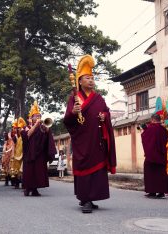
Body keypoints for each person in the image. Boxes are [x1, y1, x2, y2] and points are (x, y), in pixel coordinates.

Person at [63, 55, 117, 213]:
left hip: (97, 141)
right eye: (87, 78)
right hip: (82, 142)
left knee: (97, 172)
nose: (91, 80)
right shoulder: (74, 98)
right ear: (80, 81)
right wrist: (73, 112)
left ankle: (91, 198)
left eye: (93, 78)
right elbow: (67, 120)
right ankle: (85, 199)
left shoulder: (98, 98)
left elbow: (106, 112)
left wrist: (104, 116)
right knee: (85, 170)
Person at [21, 101, 57, 196]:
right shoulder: (26, 127)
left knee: (38, 171)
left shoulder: (42, 127)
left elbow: (47, 138)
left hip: (39, 153)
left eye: (39, 116)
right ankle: (27, 188)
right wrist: (36, 125)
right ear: (31, 118)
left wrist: (47, 129)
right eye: (36, 116)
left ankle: (35, 189)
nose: (38, 118)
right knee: (29, 171)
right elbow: (27, 136)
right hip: (29, 153)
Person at [141, 113, 168, 198]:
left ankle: (152, 192)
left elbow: (144, 137)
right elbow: (166, 140)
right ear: (159, 120)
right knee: (160, 174)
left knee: (150, 173)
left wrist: (144, 130)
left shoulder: (150, 128)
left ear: (152, 119)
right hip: (161, 155)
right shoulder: (164, 130)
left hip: (151, 155)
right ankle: (161, 192)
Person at [9, 118, 26, 189]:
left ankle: (24, 184)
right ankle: (16, 183)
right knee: (16, 170)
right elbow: (13, 146)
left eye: (20, 128)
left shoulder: (24, 135)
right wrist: (12, 155)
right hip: (16, 155)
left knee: (23, 170)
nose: (18, 129)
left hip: (23, 154)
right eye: (18, 128)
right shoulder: (15, 137)